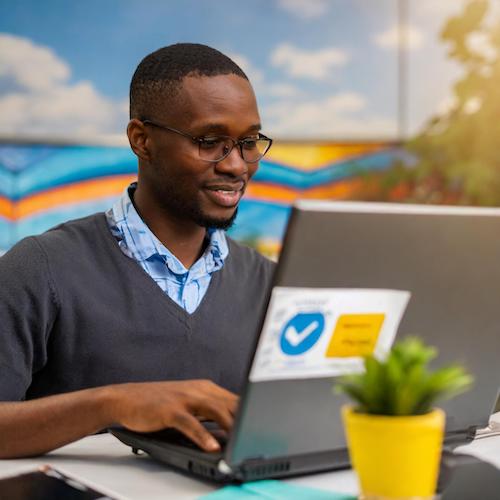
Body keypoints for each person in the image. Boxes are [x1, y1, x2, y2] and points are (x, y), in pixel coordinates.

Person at [0, 43, 275, 458]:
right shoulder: (39, 269)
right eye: (210, 140)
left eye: (249, 142)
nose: (236, 165)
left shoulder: (269, 282)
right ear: (142, 140)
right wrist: (113, 405)